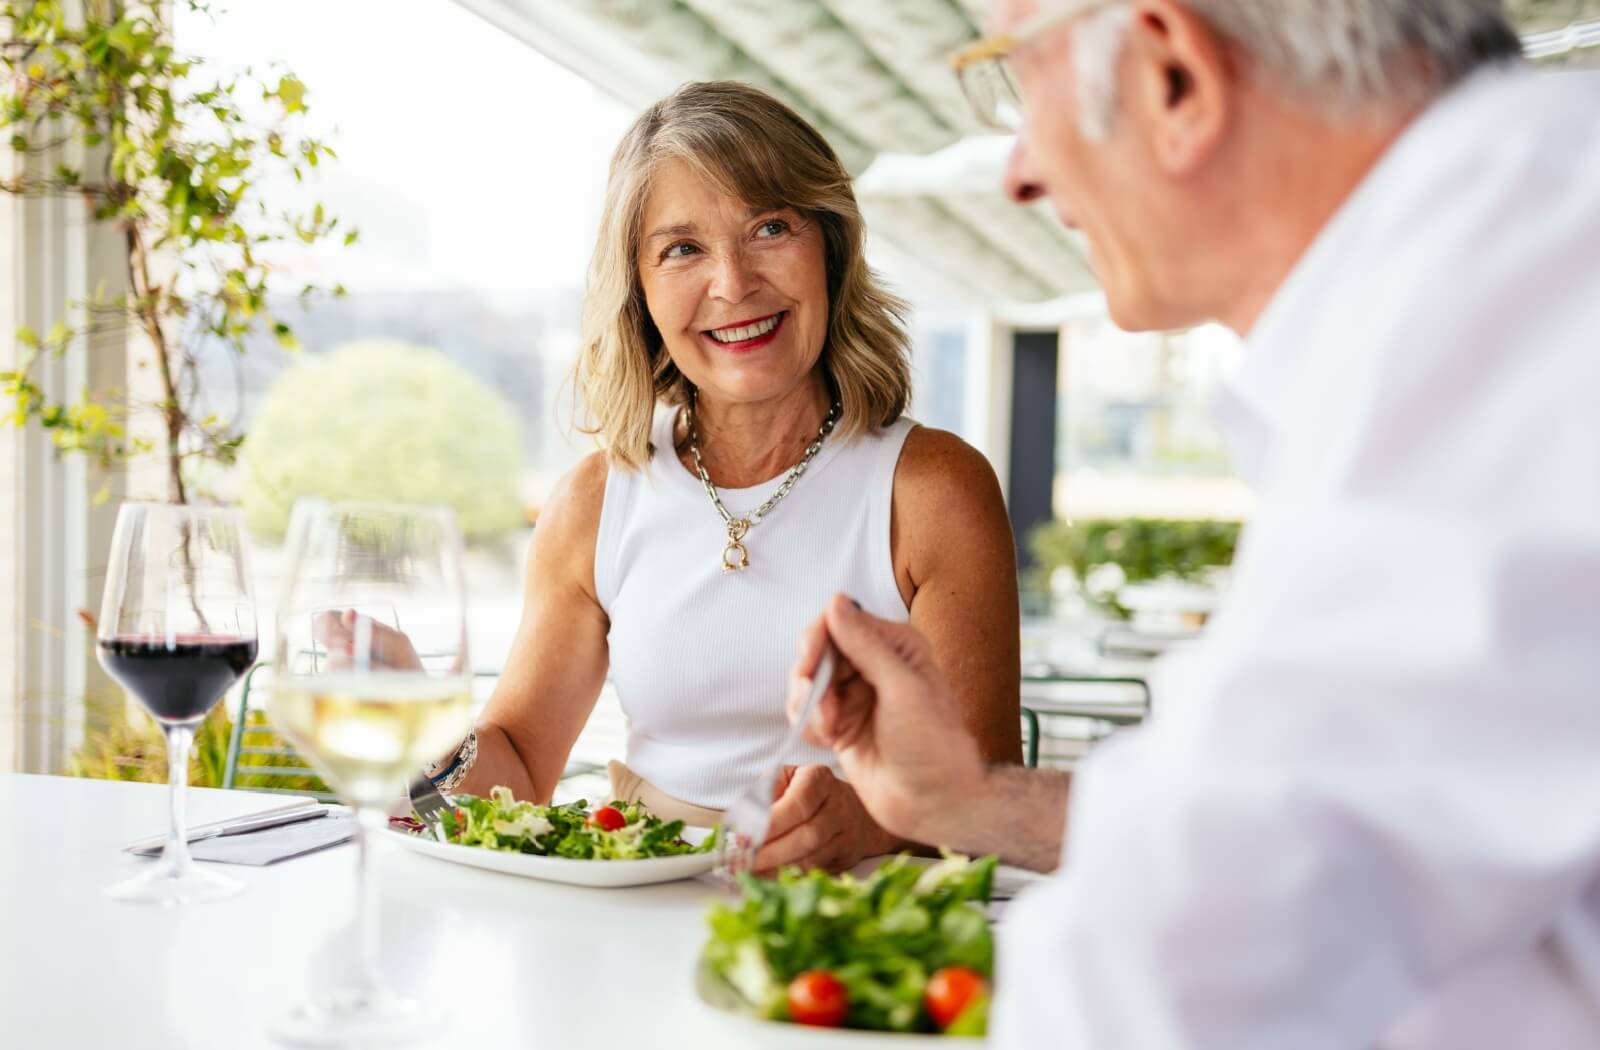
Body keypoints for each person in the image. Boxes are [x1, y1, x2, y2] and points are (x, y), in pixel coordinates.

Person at [790, 1, 1600, 1045]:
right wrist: (972, 801)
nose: (1019, 173)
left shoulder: (1504, 278)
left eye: (1018, 83)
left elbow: (1188, 964)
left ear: (1172, 75)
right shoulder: (1515, 224)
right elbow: (1381, 814)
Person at [418, 80, 1022, 874]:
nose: (734, 284)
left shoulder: (933, 489)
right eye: (682, 248)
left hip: (855, 932)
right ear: (639, 289)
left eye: (769, 227)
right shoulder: (595, 502)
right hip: (637, 918)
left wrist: (874, 828)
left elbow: (990, 800)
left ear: (830, 247)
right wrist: (418, 742)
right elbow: (518, 775)